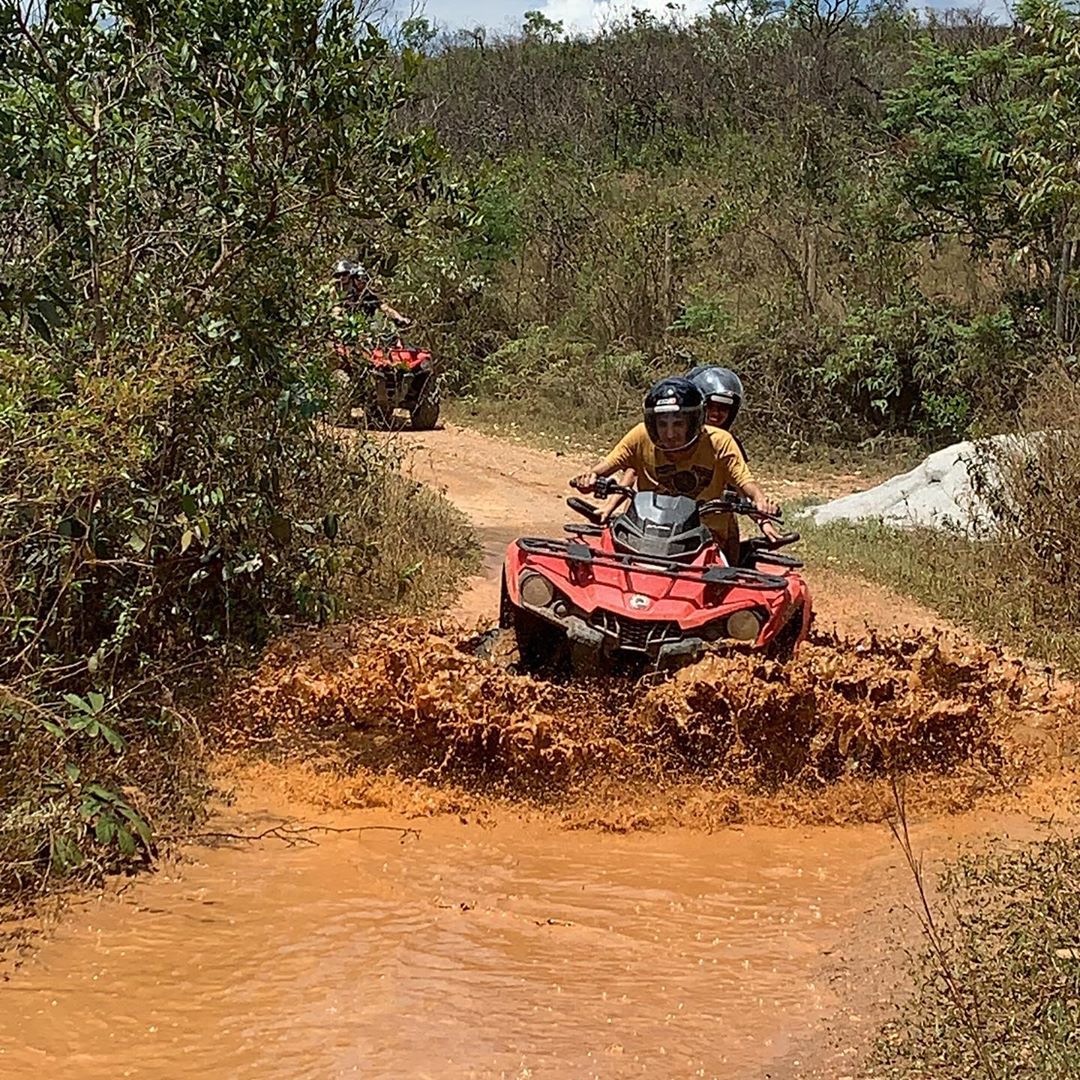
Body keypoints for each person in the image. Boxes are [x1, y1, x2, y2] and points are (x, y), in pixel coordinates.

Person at [571, 377, 779, 564]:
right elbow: (607, 466)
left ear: (694, 422)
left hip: (706, 538)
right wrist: (589, 478)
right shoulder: (640, 435)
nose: (670, 434)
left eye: (678, 423)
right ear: (652, 423)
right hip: (643, 532)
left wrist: (761, 505)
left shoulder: (720, 442)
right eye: (662, 424)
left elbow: (745, 483)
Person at [686, 364, 748, 458]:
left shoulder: (729, 445)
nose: (715, 413)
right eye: (710, 406)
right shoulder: (673, 440)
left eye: (723, 408)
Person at [331, 260, 411, 328]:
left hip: (364, 325)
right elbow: (334, 311)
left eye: (344, 274)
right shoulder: (337, 291)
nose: (342, 277)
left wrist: (400, 318)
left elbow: (384, 307)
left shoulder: (365, 292)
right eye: (339, 275)